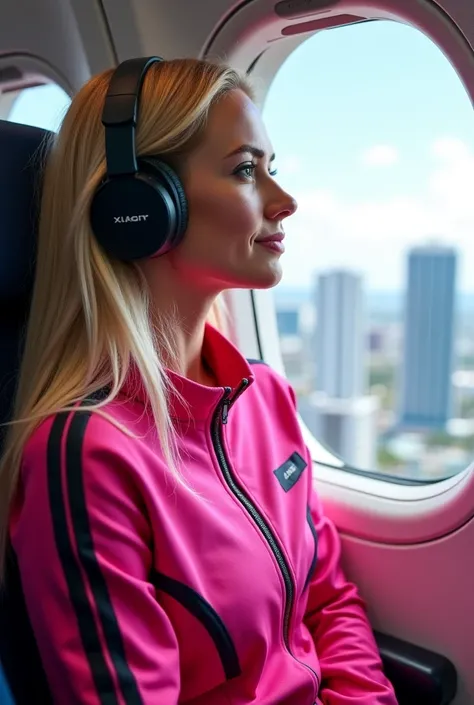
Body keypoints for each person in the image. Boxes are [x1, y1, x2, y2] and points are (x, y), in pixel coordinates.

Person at [0, 57, 398, 704]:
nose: (284, 200)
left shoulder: (264, 395)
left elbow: (327, 600)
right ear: (138, 207)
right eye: (246, 170)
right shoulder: (86, 456)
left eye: (273, 167)